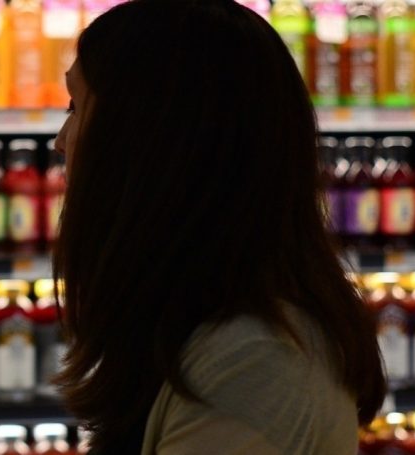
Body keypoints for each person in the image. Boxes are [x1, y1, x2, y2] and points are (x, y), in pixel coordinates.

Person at [51, 0, 387, 453]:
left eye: (76, 105)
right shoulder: (195, 324)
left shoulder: (252, 366)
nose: (59, 141)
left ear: (150, 143)